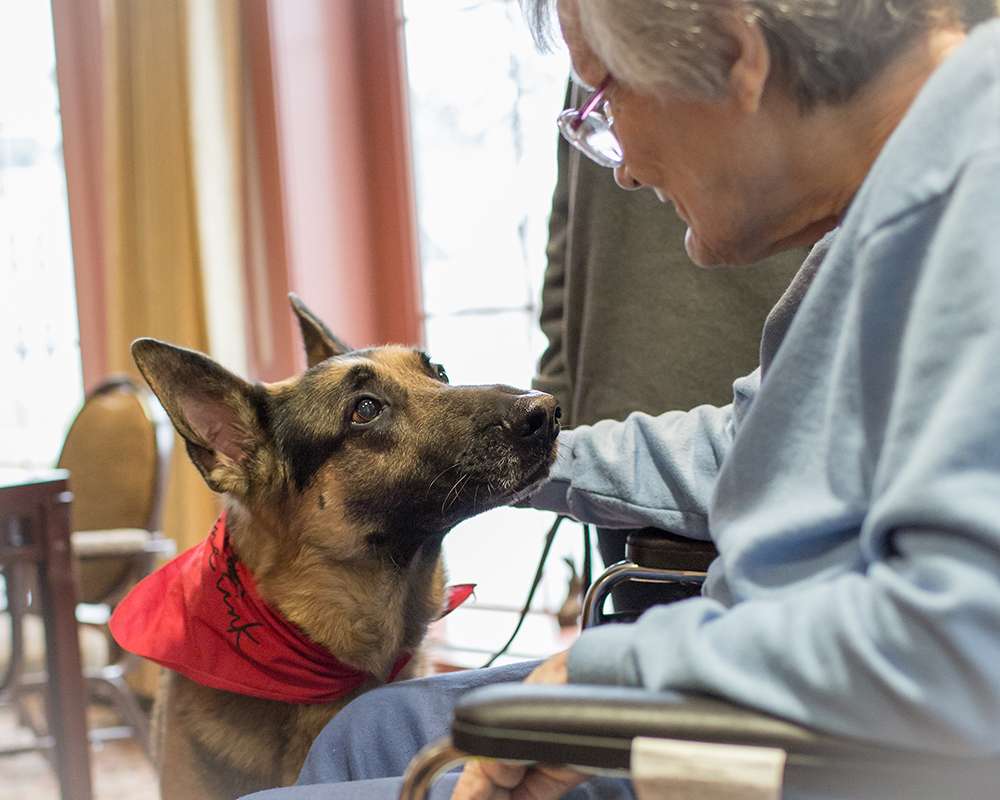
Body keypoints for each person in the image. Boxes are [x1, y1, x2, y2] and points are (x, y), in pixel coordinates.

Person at [244, 1, 1000, 798]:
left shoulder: (969, 220)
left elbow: (960, 645)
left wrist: (626, 673)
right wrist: (528, 457)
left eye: (605, 99)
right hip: (761, 677)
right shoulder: (890, 213)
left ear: (737, 57)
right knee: (368, 733)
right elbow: (761, 444)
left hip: (805, 751)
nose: (623, 168)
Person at [534, 79, 804, 611]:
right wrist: (542, 426)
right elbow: (571, 222)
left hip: (740, 392)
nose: (626, 172)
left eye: (613, 100)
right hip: (624, 414)